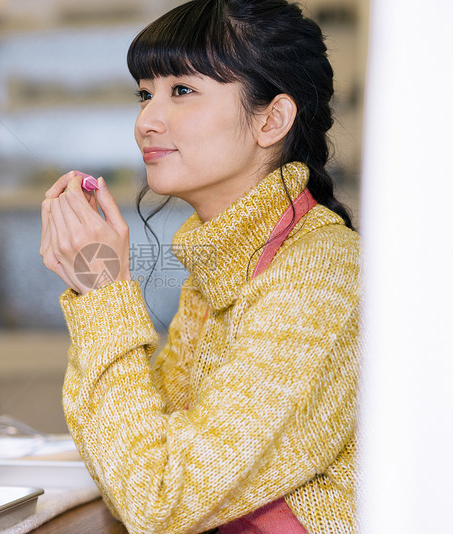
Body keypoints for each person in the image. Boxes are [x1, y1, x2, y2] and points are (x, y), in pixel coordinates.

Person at [39, 1, 360, 532]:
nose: (146, 121)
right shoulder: (222, 263)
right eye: (145, 94)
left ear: (272, 119)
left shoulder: (317, 275)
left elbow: (157, 501)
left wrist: (103, 295)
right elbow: (138, 463)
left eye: (182, 91)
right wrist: (94, 288)